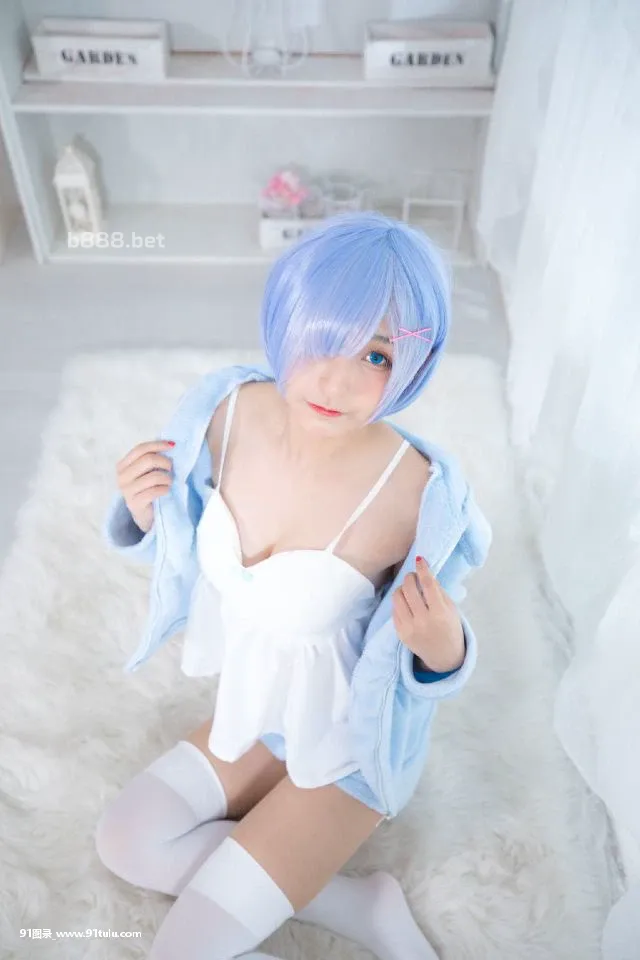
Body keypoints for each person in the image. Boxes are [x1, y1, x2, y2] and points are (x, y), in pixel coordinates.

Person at [96, 211, 491, 960]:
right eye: (321, 340)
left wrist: (444, 649)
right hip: (262, 711)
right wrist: (144, 511)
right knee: (125, 840)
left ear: (415, 360)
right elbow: (180, 544)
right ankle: (359, 904)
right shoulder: (223, 413)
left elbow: (441, 647)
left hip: (346, 751)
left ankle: (311, 879)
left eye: (376, 356)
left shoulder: (418, 495)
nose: (336, 381)